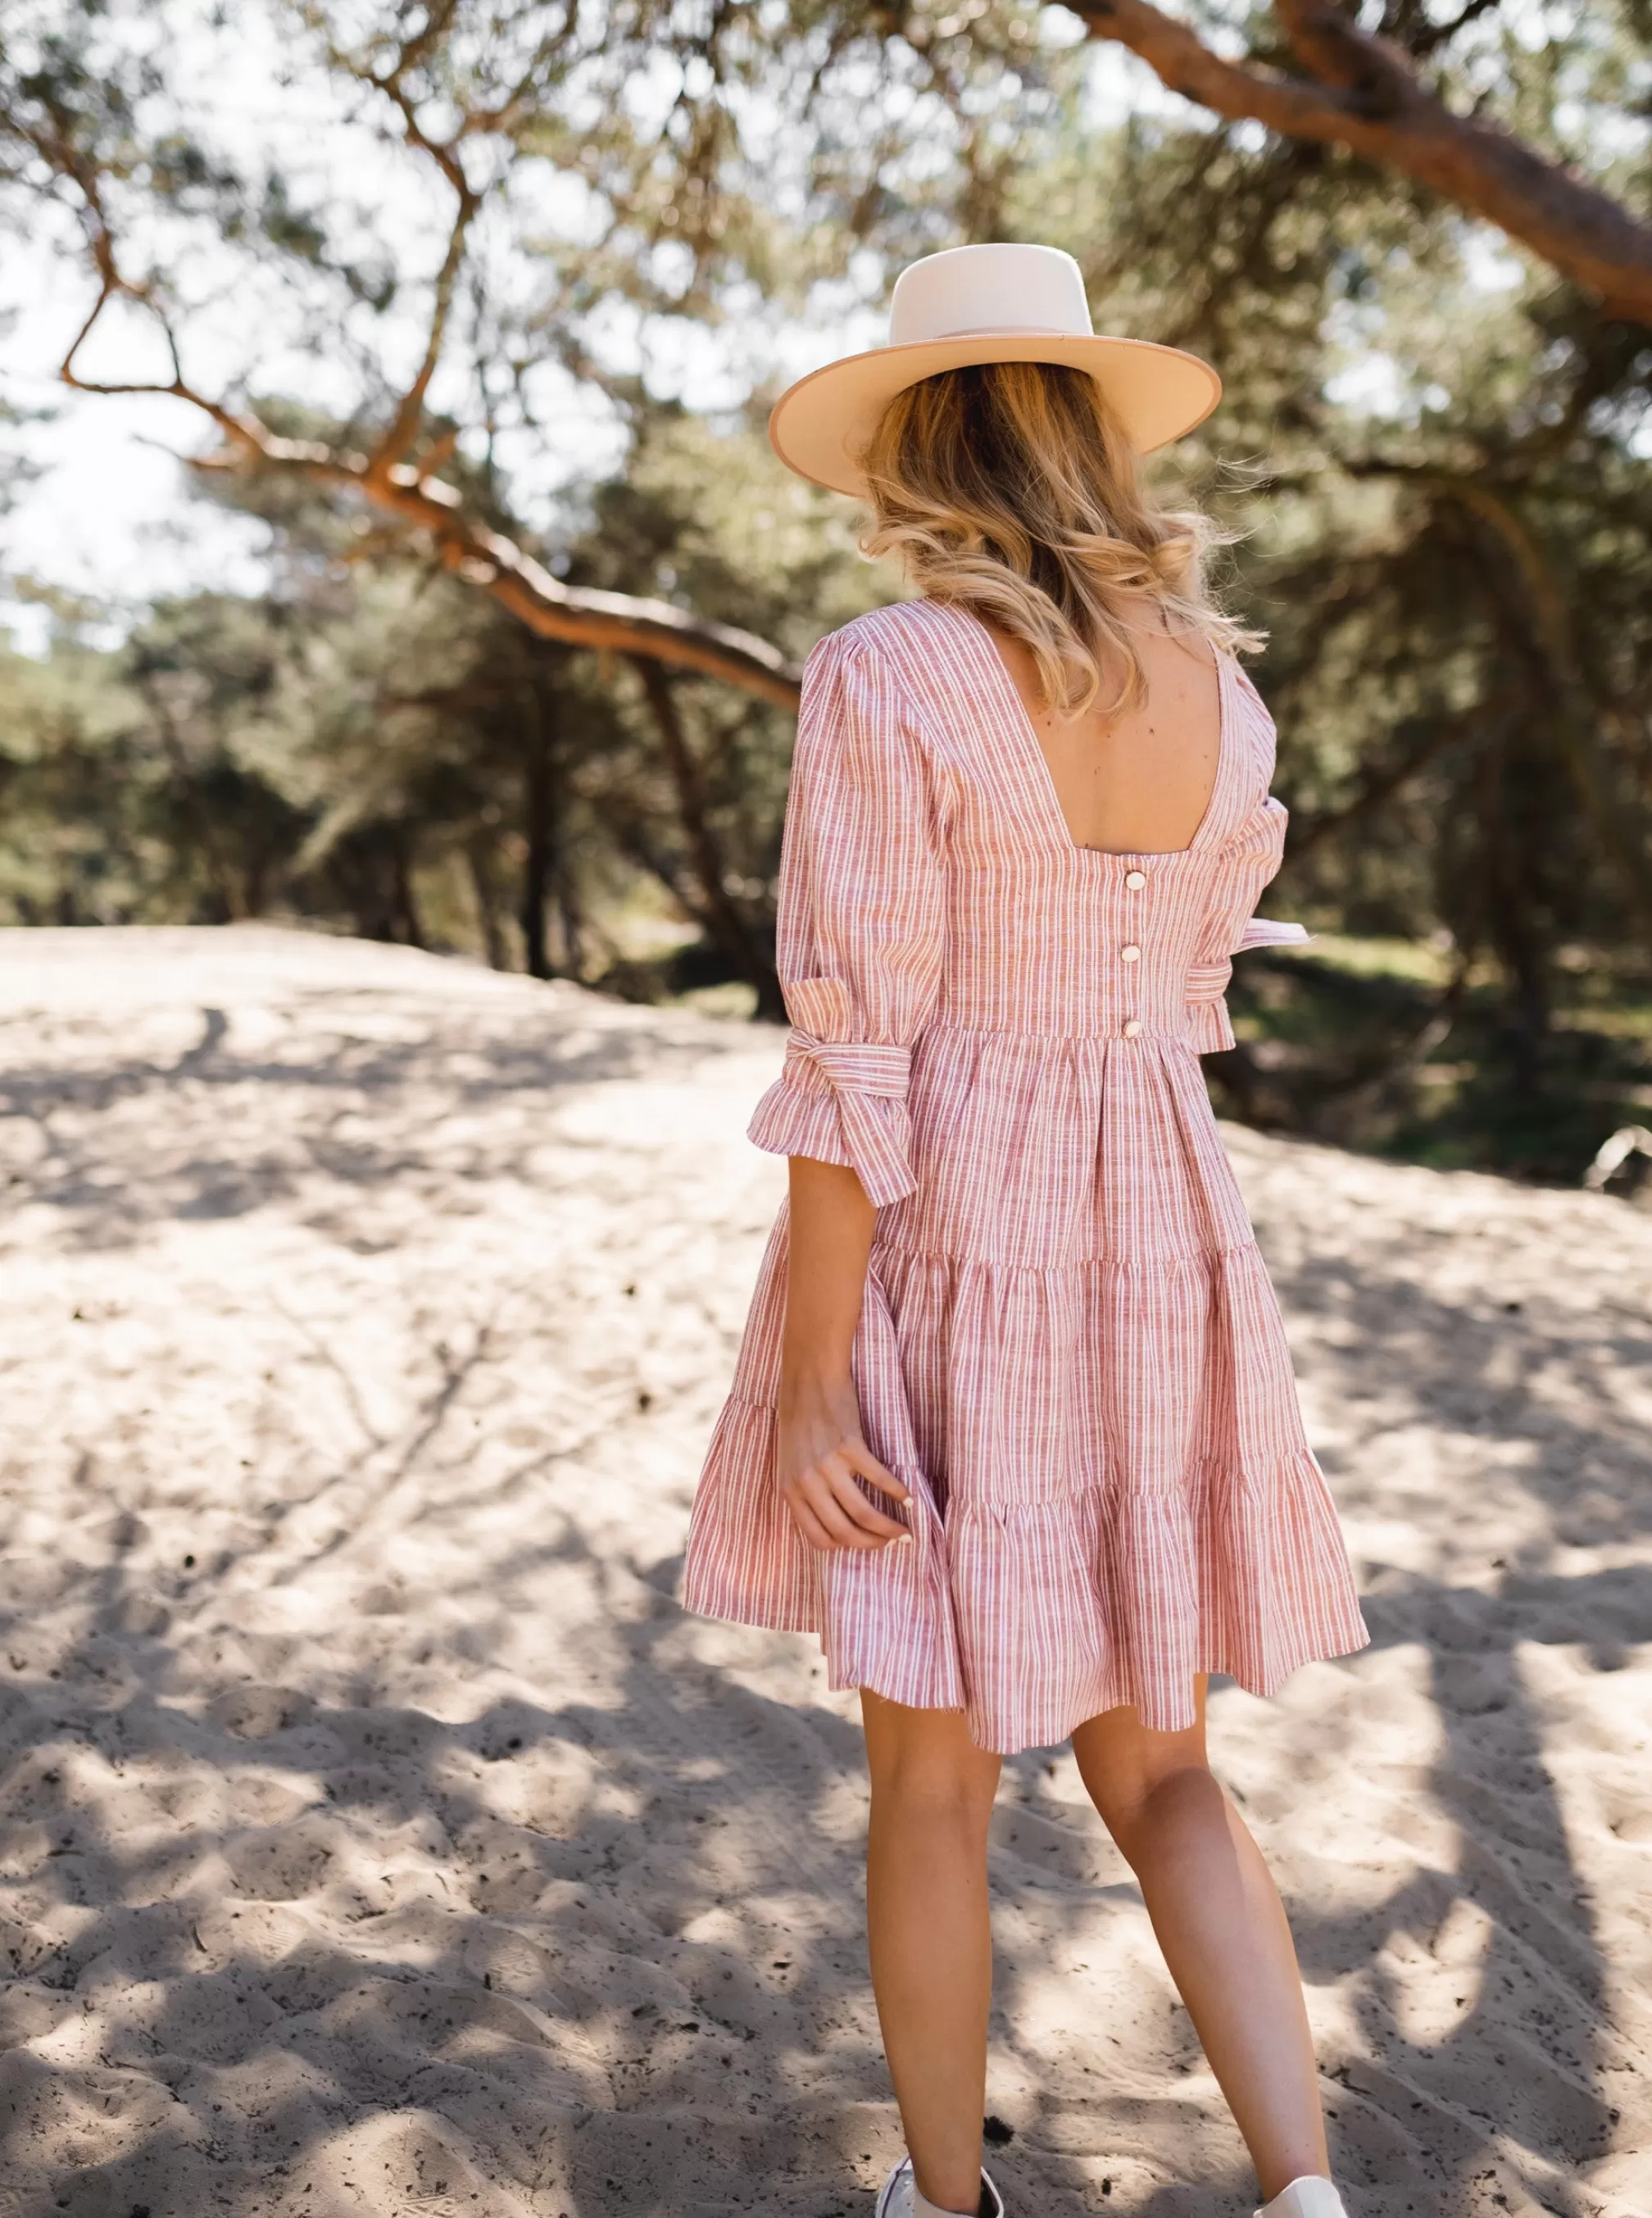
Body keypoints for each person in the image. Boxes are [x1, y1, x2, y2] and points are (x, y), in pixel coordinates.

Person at [683, 242, 1369, 2218]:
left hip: (954, 1224)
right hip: (1159, 1225)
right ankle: (1305, 2192)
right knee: (1167, 1771)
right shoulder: (1224, 697)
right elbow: (1186, 999)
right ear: (1086, 438)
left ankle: (945, 2203)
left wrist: (818, 1382)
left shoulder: (889, 672)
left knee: (933, 1784)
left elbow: (859, 1051)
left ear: (925, 449)